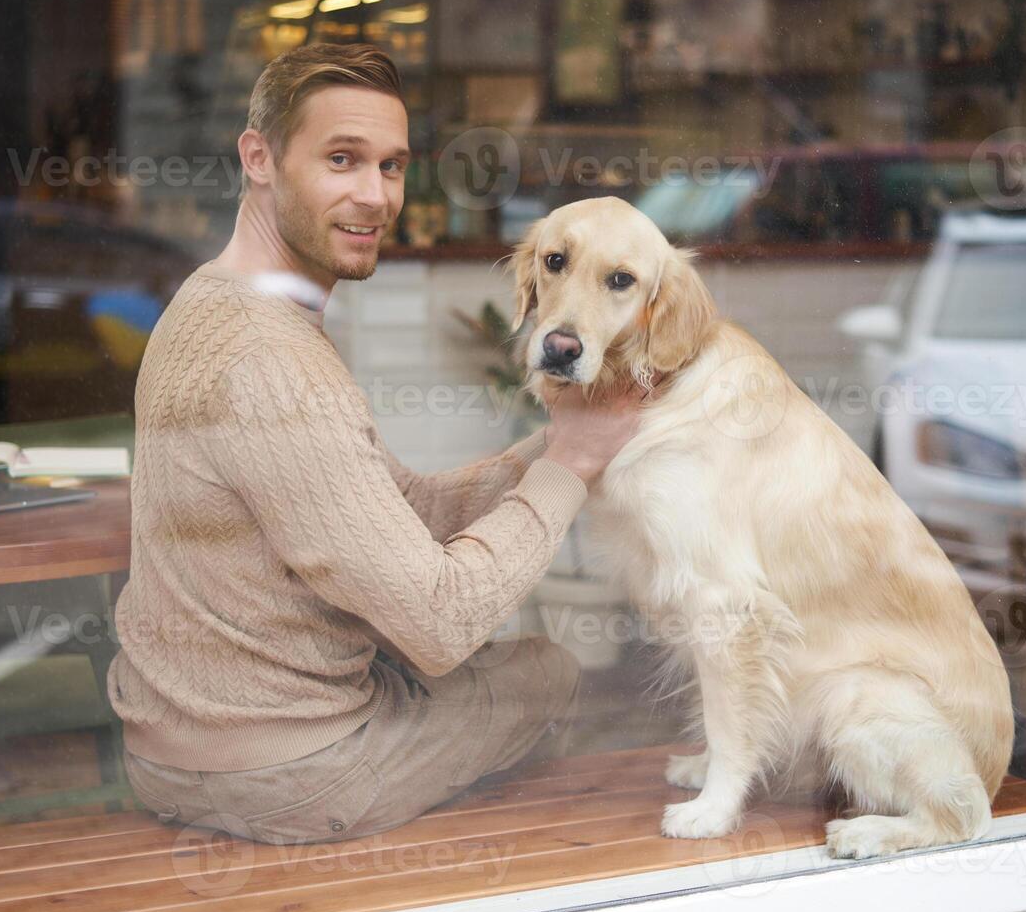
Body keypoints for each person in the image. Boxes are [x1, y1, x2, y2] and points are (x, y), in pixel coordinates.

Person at [106, 43, 644, 845]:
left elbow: (394, 510)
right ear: (259, 157)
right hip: (288, 774)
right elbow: (439, 623)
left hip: (180, 751)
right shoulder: (275, 362)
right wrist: (570, 468)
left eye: (390, 166)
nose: (373, 195)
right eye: (341, 159)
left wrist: (558, 442)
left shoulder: (210, 304)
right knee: (548, 672)